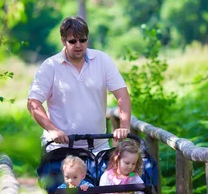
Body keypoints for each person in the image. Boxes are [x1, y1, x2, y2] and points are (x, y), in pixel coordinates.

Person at [27, 16, 131, 153]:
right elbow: (33, 103)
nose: (78, 45)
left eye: (83, 40)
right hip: (59, 148)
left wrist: (124, 126)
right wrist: (52, 130)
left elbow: (122, 95)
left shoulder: (102, 60)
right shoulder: (50, 66)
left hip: (98, 147)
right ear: (63, 41)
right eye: (72, 41)